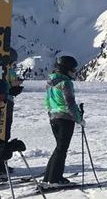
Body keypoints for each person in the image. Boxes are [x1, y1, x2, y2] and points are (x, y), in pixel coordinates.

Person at [43, 55, 83, 185]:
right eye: (72, 69)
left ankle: (49, 177)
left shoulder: (50, 81)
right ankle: (55, 179)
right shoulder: (66, 83)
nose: (74, 72)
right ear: (66, 69)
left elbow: (47, 101)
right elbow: (70, 103)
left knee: (59, 148)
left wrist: (51, 114)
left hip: (54, 117)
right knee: (62, 149)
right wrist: (79, 119)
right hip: (65, 119)